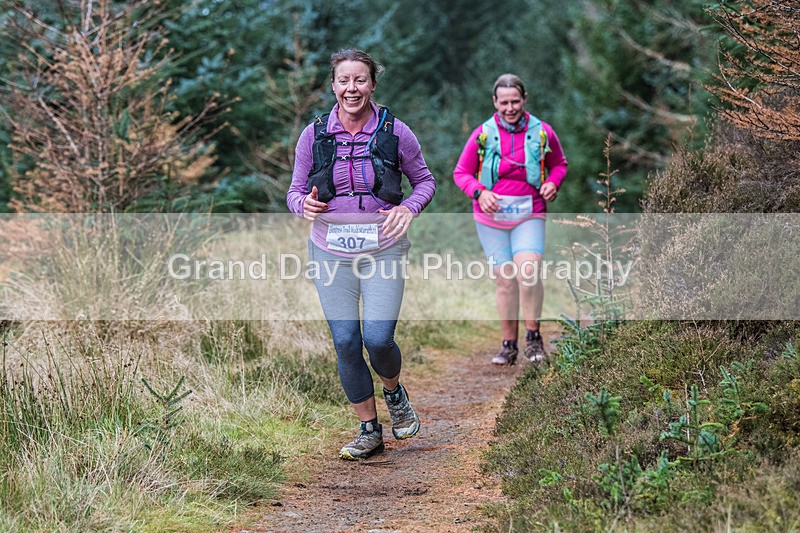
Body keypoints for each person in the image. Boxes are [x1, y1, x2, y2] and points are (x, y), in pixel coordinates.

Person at [287, 49, 436, 459]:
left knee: (378, 338)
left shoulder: (395, 132)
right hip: (330, 249)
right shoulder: (314, 134)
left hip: (383, 247)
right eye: (343, 81)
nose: (352, 88)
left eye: (360, 80)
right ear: (333, 86)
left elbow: (424, 181)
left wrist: (408, 208)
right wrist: (304, 205)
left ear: (372, 84)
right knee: (347, 341)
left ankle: (394, 391)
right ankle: (369, 430)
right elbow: (294, 192)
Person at [453, 73, 568, 365]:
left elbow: (559, 165)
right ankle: (508, 345)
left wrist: (553, 183)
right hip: (490, 218)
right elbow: (461, 173)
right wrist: (479, 192)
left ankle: (533, 338)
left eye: (515, 101)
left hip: (529, 212)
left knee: (527, 273)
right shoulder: (483, 133)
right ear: (495, 102)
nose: (510, 108)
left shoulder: (543, 131)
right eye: (504, 102)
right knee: (505, 281)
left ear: (524, 99)